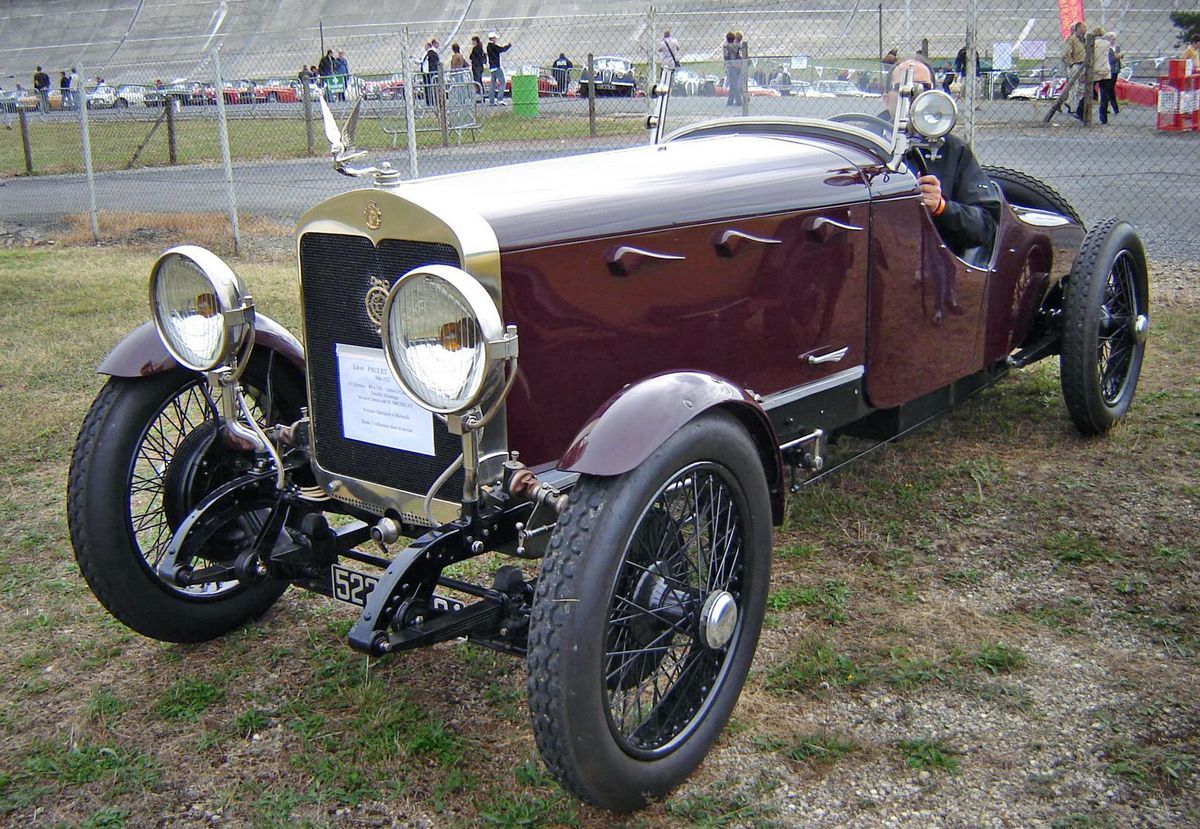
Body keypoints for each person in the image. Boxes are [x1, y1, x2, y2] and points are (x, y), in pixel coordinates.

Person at [883, 57, 1002, 258]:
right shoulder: (863, 145)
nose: (911, 95)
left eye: (923, 87)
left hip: (933, 260)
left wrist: (941, 207)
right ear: (886, 99)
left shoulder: (953, 150)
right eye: (902, 87)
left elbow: (986, 225)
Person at [1062, 21, 1087, 118]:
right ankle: (1072, 106)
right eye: (1084, 27)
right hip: (1076, 65)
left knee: (1081, 88)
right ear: (1078, 29)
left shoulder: (1084, 39)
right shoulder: (1071, 39)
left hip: (1083, 65)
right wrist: (1071, 64)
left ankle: (1076, 106)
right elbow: (1066, 54)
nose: (1085, 29)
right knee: (1074, 87)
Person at [1091, 27, 1114, 123]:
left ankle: (1081, 111)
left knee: (1088, 91)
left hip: (1095, 69)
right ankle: (1103, 117)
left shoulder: (1092, 43)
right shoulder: (1107, 43)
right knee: (1105, 95)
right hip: (1106, 69)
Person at [486, 32, 512, 106]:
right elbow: (502, 49)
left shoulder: (488, 46)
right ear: (493, 38)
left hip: (492, 67)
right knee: (503, 82)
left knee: (492, 84)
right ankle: (500, 99)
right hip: (497, 67)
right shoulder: (493, 46)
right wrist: (509, 45)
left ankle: (492, 101)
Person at [723, 31, 740, 106]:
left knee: (733, 85)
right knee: (733, 84)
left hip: (731, 66)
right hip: (737, 66)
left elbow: (726, 57)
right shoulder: (736, 46)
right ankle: (730, 101)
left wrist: (727, 65)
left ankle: (738, 101)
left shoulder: (726, 47)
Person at [469, 36, 486, 101]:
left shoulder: (476, 49)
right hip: (479, 66)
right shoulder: (480, 48)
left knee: (477, 81)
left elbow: (471, 57)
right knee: (479, 81)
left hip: (476, 67)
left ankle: (480, 95)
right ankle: (482, 95)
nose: (472, 43)